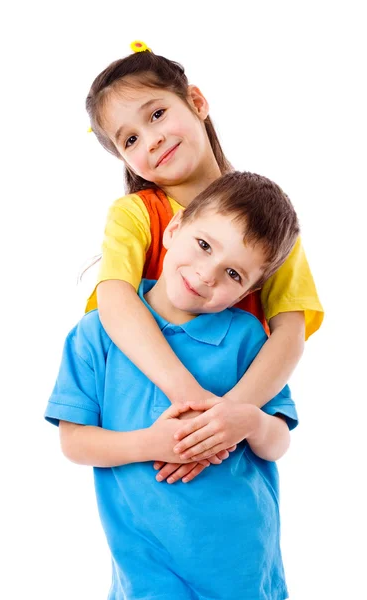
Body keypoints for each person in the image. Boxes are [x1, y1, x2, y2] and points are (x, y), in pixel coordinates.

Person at [46, 171, 300, 599]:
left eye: (233, 274)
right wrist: (154, 444)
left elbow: (277, 442)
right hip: (147, 565)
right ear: (175, 229)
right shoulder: (97, 334)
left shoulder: (248, 339)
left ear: (248, 290)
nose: (206, 275)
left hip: (242, 562)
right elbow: (74, 443)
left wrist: (251, 422)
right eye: (203, 245)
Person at [84, 41, 323, 483]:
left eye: (156, 114)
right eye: (130, 139)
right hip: (152, 432)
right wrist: (191, 399)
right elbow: (113, 299)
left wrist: (229, 418)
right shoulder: (137, 214)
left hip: (232, 455)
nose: (152, 139)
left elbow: (290, 332)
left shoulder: (267, 220)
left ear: (196, 102)